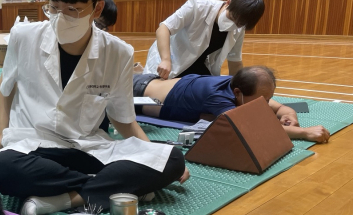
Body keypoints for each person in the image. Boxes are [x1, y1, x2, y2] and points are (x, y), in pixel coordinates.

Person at [0, 0, 188, 215]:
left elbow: (123, 119)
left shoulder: (117, 53)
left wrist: (153, 156)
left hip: (86, 148)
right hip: (34, 145)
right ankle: (118, 187)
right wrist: (2, 132)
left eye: (72, 9)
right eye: (53, 7)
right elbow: (6, 84)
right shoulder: (24, 37)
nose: (59, 17)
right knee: (2, 166)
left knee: (173, 159)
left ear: (97, 8)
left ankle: (67, 198)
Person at [133, 66, 330, 143]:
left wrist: (290, 115)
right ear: (237, 93)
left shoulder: (239, 85)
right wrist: (304, 133)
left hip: (152, 81)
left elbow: (281, 108)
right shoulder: (218, 96)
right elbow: (252, 129)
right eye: (262, 99)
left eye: (268, 99)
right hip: (135, 91)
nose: (266, 104)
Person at [143, 0, 266, 79]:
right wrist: (165, 60)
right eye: (232, 17)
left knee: (209, 91)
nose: (233, 25)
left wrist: (238, 86)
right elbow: (164, 28)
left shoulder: (239, 30)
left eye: (239, 24)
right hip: (172, 60)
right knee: (165, 94)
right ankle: (138, 73)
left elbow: (235, 61)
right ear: (228, 3)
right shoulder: (197, 6)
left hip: (197, 65)